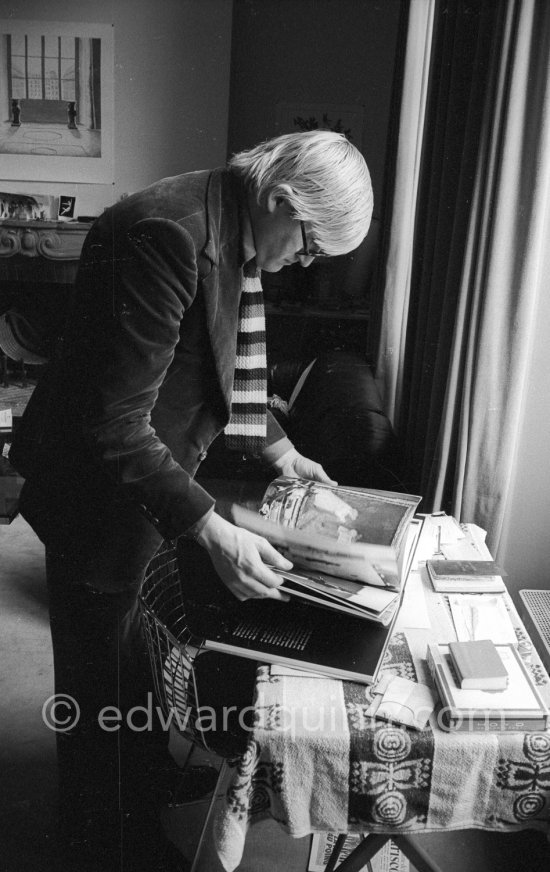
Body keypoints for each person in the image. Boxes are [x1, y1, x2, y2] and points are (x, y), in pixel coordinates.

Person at [9, 130, 373, 871]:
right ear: (279, 199)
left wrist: (280, 448)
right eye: (305, 247)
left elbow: (213, 359)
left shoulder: (229, 223)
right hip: (98, 489)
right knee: (97, 684)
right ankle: (108, 839)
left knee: (135, 651)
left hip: (148, 476)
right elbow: (111, 423)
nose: (302, 264)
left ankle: (141, 777)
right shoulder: (168, 236)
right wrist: (212, 527)